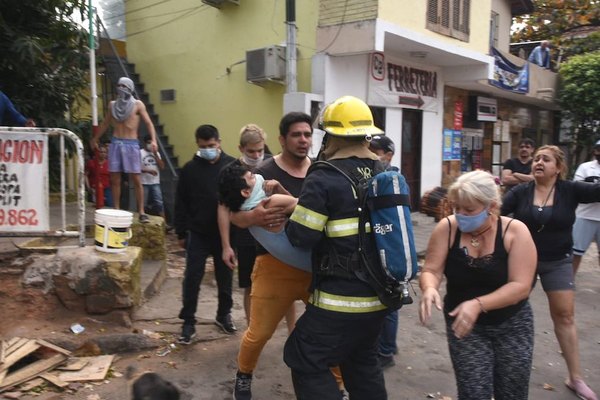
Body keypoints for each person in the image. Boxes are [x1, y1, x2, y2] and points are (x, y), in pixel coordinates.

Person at [283, 96, 391, 399]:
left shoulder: (325, 174)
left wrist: (291, 211)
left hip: (339, 300)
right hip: (380, 299)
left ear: (332, 136)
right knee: (361, 361)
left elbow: (301, 236)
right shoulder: (382, 171)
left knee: (303, 354)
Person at [419, 170, 536, 400]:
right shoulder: (447, 228)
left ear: (491, 206)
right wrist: (429, 287)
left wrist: (478, 304)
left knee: (512, 391)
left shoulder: (515, 231)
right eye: (457, 208)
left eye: (469, 210)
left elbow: (521, 286)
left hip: (512, 324)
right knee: (473, 392)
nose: (461, 215)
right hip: (464, 326)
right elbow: (431, 269)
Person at [501, 145, 600, 400]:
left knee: (565, 316)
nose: (539, 163)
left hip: (558, 260)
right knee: (510, 314)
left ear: (558, 167)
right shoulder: (521, 191)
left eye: (546, 159)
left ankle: (575, 377)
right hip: (523, 261)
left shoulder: (570, 190)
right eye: (536, 159)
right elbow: (496, 213)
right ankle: (502, 371)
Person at [228, 112, 315, 400]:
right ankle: (243, 375)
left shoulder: (320, 171)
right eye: (296, 134)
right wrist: (255, 215)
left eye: (307, 134)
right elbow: (234, 215)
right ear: (282, 139)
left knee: (328, 330)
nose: (303, 140)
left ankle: (336, 386)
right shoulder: (263, 172)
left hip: (315, 267)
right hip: (272, 265)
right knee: (259, 332)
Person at [174, 124, 237, 344]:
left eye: (211, 145)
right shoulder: (190, 169)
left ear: (219, 142)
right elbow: (181, 202)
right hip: (198, 233)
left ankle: (223, 315)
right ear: (198, 145)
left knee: (225, 278)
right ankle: (188, 322)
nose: (208, 149)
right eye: (203, 146)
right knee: (192, 278)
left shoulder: (232, 166)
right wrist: (181, 232)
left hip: (225, 235)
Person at [218, 163, 311, 270]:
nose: (258, 177)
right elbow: (312, 206)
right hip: (319, 258)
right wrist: (280, 190)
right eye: (252, 176)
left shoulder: (248, 216)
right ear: (245, 192)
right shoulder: (271, 202)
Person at [91, 77, 158, 223]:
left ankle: (141, 211)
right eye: (119, 85)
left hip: (131, 144)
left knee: (136, 178)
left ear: (130, 88)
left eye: (124, 86)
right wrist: (95, 139)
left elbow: (149, 123)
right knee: (115, 178)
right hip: (116, 143)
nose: (121, 88)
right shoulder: (112, 105)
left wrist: (153, 140)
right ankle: (116, 208)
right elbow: (105, 124)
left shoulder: (137, 105)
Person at [369, 134, 399, 369]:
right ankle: (387, 344)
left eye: (376, 151)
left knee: (389, 302)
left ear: (388, 155)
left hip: (388, 246)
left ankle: (386, 351)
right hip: (378, 245)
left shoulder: (392, 179)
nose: (372, 154)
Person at [572, 139, 600, 274]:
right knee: (575, 252)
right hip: (585, 215)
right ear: (595, 151)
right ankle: (568, 282)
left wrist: (592, 189)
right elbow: (578, 189)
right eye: (598, 149)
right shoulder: (585, 167)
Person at [140, 134, 167, 222]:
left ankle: (164, 223)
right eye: (148, 143)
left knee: (159, 202)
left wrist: (155, 154)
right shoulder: (140, 153)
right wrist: (148, 171)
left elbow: (162, 167)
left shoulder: (156, 153)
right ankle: (142, 219)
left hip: (155, 182)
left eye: (151, 143)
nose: (150, 145)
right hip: (144, 182)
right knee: (142, 203)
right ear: (145, 143)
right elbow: (136, 168)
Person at [85, 142, 113, 208]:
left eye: (104, 152)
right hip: (94, 188)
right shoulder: (91, 163)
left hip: (107, 188)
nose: (103, 154)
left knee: (109, 205)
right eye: (101, 152)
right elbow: (85, 175)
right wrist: (89, 188)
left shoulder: (109, 163)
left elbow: (112, 177)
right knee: (95, 206)